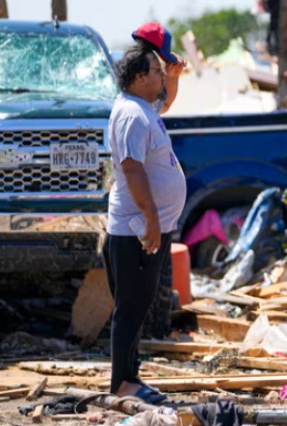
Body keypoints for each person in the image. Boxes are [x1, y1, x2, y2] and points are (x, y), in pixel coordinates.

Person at [103, 22, 186, 404]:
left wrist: (173, 78)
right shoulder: (132, 115)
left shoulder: (141, 107)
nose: (161, 77)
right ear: (139, 77)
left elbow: (165, 102)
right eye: (156, 71)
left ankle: (130, 378)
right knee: (131, 308)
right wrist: (152, 217)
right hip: (136, 229)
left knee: (136, 307)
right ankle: (122, 384)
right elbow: (133, 169)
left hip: (143, 227)